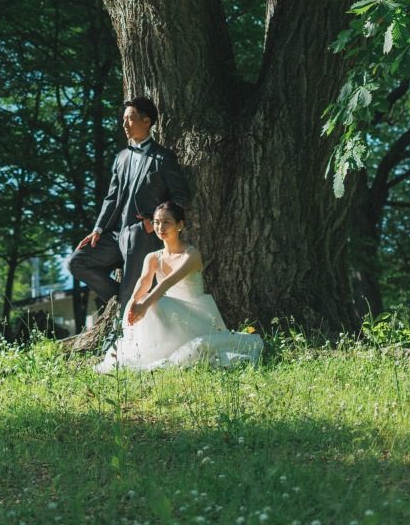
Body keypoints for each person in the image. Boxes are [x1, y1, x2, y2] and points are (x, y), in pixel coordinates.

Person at [95, 201, 264, 371]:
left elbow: (167, 282)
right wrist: (134, 301)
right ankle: (151, 354)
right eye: (156, 222)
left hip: (197, 314)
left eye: (166, 222)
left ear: (180, 225)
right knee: (147, 299)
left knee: (155, 302)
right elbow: (144, 281)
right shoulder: (153, 257)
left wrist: (144, 306)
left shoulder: (191, 254)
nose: (160, 226)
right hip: (171, 313)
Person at [68, 97, 191, 310]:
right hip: (114, 235)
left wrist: (155, 222)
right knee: (76, 262)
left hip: (141, 234)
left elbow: (181, 197)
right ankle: (122, 300)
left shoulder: (163, 157)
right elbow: (111, 198)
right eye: (124, 119)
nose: (124, 125)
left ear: (146, 121)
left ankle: (126, 318)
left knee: (131, 288)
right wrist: (98, 229)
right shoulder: (121, 157)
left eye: (130, 119)